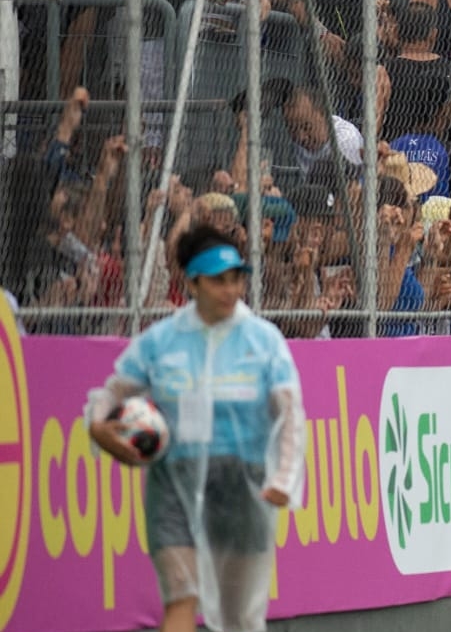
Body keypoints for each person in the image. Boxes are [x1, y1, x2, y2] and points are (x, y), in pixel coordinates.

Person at [85, 224, 305, 632]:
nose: (229, 290)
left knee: (240, 616)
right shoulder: (161, 341)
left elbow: (291, 414)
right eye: (217, 281)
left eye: (236, 279)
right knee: (180, 600)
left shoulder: (264, 341)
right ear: (192, 283)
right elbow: (112, 392)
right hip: (173, 486)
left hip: (242, 487)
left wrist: (285, 477)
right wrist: (99, 429)